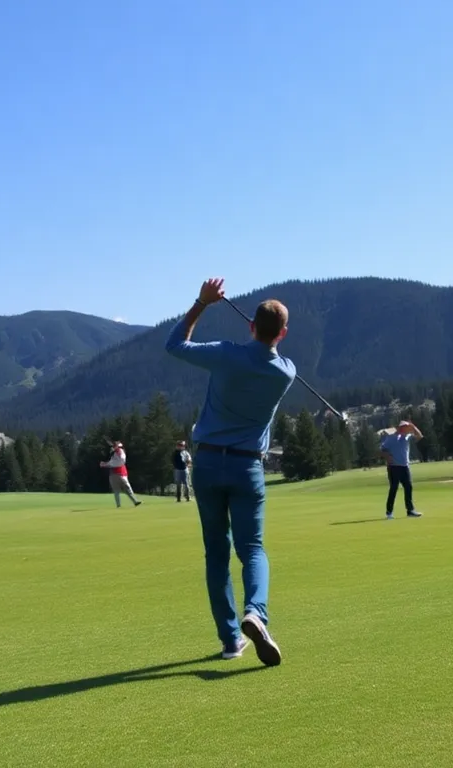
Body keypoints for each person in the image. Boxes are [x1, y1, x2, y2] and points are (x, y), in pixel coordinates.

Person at [164, 278, 295, 666]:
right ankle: (256, 612)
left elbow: (175, 344)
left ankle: (230, 640)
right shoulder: (285, 372)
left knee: (216, 553)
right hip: (247, 467)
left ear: (250, 326)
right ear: (283, 333)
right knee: (251, 548)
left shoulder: (225, 354)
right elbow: (271, 349)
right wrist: (264, 339)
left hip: (206, 464)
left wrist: (201, 304)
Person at [381, 421, 424, 518]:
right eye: (406, 427)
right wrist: (387, 456)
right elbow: (383, 449)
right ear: (400, 428)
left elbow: (420, 436)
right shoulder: (391, 438)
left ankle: (410, 511)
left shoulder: (407, 437)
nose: (408, 429)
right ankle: (389, 512)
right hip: (394, 467)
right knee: (394, 489)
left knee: (408, 487)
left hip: (405, 467)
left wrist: (413, 425)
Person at [100, 441, 142, 507]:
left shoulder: (113, 454)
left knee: (117, 491)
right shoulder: (117, 453)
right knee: (127, 489)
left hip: (114, 474)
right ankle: (134, 501)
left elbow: (109, 462)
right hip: (120, 474)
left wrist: (105, 463)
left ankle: (119, 505)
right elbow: (120, 461)